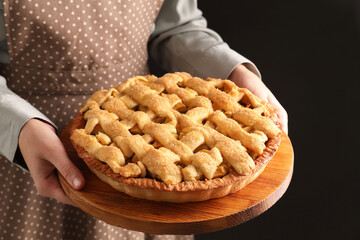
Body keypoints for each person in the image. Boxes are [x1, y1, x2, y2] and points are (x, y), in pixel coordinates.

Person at [0, 0, 287, 239]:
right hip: (25, 151)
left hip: (155, 163)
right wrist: (17, 123)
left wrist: (235, 75)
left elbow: (174, 28)